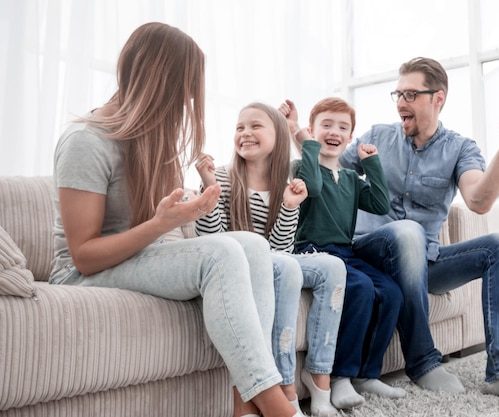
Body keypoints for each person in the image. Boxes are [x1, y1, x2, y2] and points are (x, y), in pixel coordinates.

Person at [49, 23, 302, 417]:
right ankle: (277, 408)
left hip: (137, 259)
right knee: (219, 254)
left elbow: (163, 232)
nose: (187, 102)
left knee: (252, 245)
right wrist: (162, 224)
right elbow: (82, 256)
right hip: (82, 273)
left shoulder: (153, 143)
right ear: (157, 81)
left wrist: (187, 212)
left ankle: (244, 409)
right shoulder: (86, 140)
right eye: (183, 89)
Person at [332, 57, 499, 406]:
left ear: (437, 98)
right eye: (397, 93)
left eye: (410, 94)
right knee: (407, 231)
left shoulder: (459, 148)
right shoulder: (377, 136)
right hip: (370, 251)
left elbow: (479, 200)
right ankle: (423, 362)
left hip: (424, 261)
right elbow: (331, 168)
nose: (400, 102)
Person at [195, 102, 346, 417]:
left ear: (277, 135)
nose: (245, 133)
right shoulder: (221, 176)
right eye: (240, 127)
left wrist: (290, 206)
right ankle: (285, 384)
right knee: (286, 266)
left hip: (275, 261)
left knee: (333, 266)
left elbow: (281, 248)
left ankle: (319, 375)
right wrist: (209, 189)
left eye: (255, 126)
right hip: (238, 267)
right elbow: (211, 242)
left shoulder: (284, 184)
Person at [280, 97, 406, 411]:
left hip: (345, 253)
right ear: (312, 131)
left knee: (391, 292)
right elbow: (314, 187)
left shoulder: (350, 178)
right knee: (361, 289)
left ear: (350, 137)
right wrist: (302, 138)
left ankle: (367, 372)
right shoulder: (302, 168)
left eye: (343, 127)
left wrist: (371, 164)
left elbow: (379, 204)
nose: (335, 131)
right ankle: (340, 376)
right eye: (326, 125)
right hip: (312, 252)